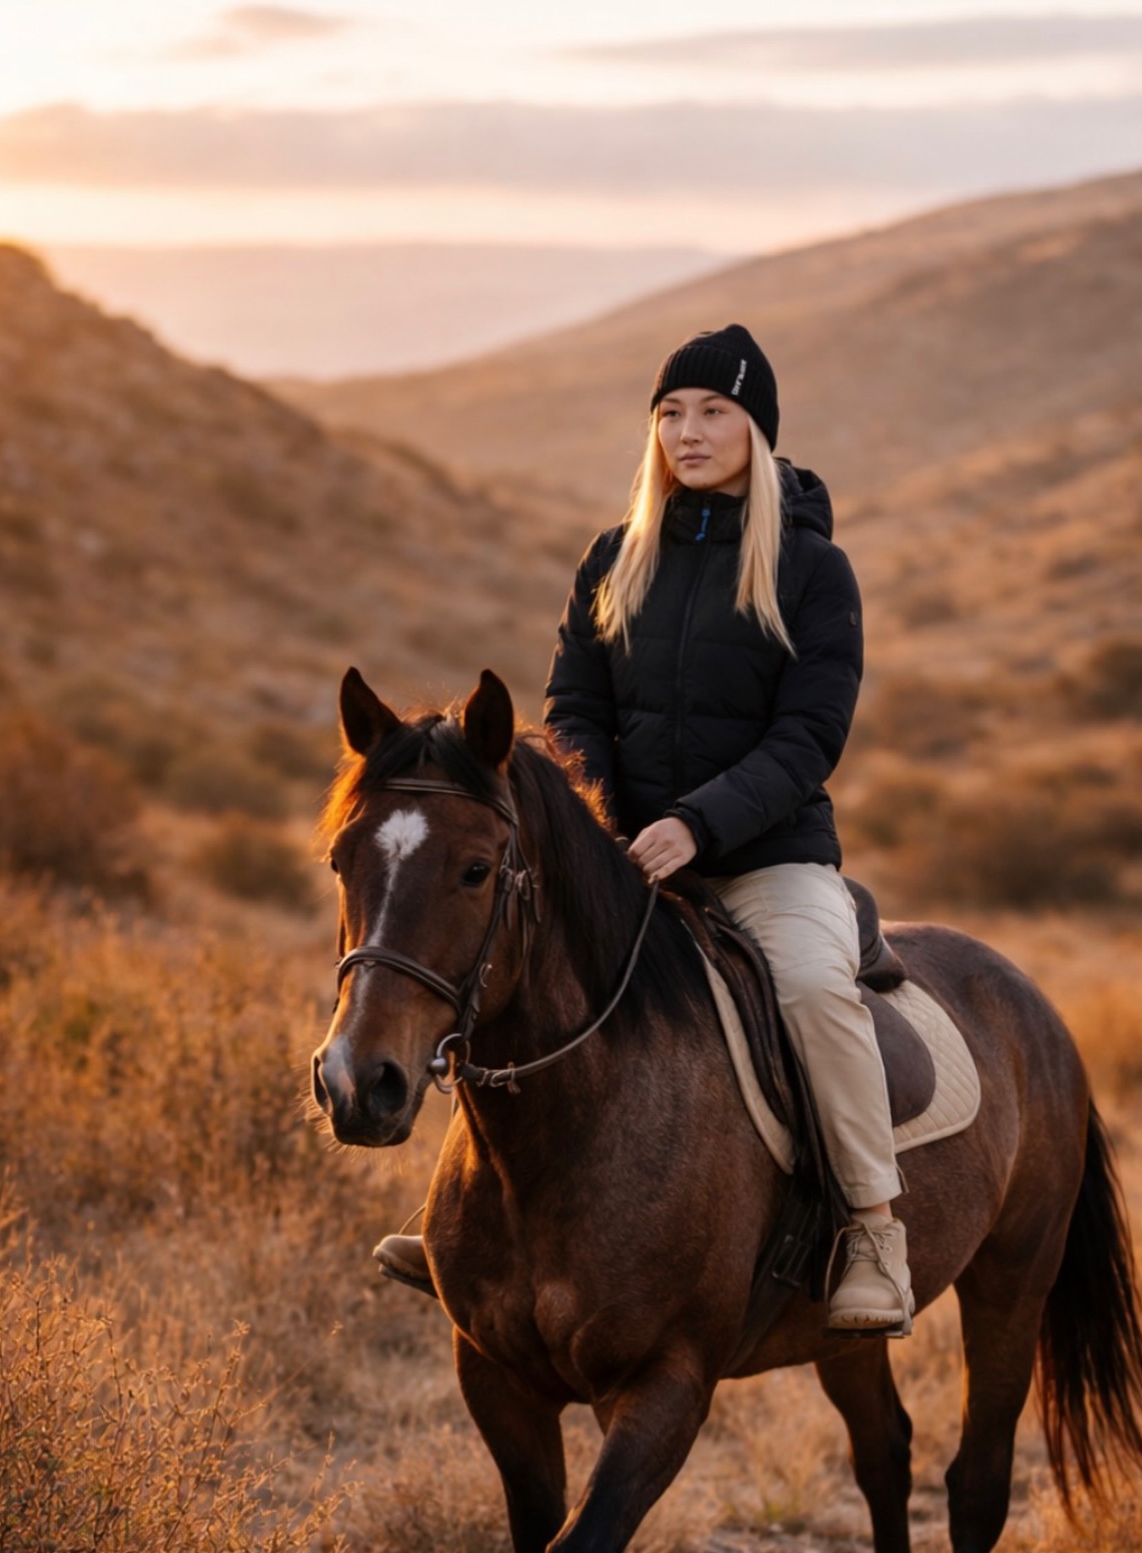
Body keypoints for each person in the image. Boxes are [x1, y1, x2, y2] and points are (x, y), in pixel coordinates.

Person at [377, 322, 912, 1336]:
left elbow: (809, 737)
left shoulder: (810, 569)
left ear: (757, 429)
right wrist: (603, 828)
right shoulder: (614, 558)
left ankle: (873, 1232)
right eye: (670, 413)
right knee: (505, 961)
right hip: (622, 855)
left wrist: (696, 827)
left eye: (714, 412)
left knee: (811, 989)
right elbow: (572, 706)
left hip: (767, 860)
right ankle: (467, 1221)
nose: (688, 432)